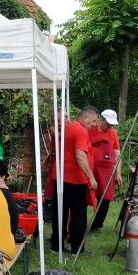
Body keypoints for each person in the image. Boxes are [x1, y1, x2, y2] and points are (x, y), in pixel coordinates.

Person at [49, 107, 99, 255]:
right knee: (78, 215)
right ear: (85, 118)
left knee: (60, 213)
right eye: (93, 121)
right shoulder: (81, 131)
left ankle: (56, 245)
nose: (94, 124)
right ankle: (77, 248)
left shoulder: (67, 127)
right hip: (75, 179)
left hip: (60, 176)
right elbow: (80, 156)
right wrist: (91, 177)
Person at [88, 109, 122, 231]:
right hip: (92, 168)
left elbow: (117, 154)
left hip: (107, 171)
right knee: (87, 195)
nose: (110, 127)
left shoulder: (113, 133)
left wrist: (118, 173)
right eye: (108, 124)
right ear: (101, 120)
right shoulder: (90, 130)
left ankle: (97, 224)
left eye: (112, 124)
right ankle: (79, 223)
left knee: (106, 198)